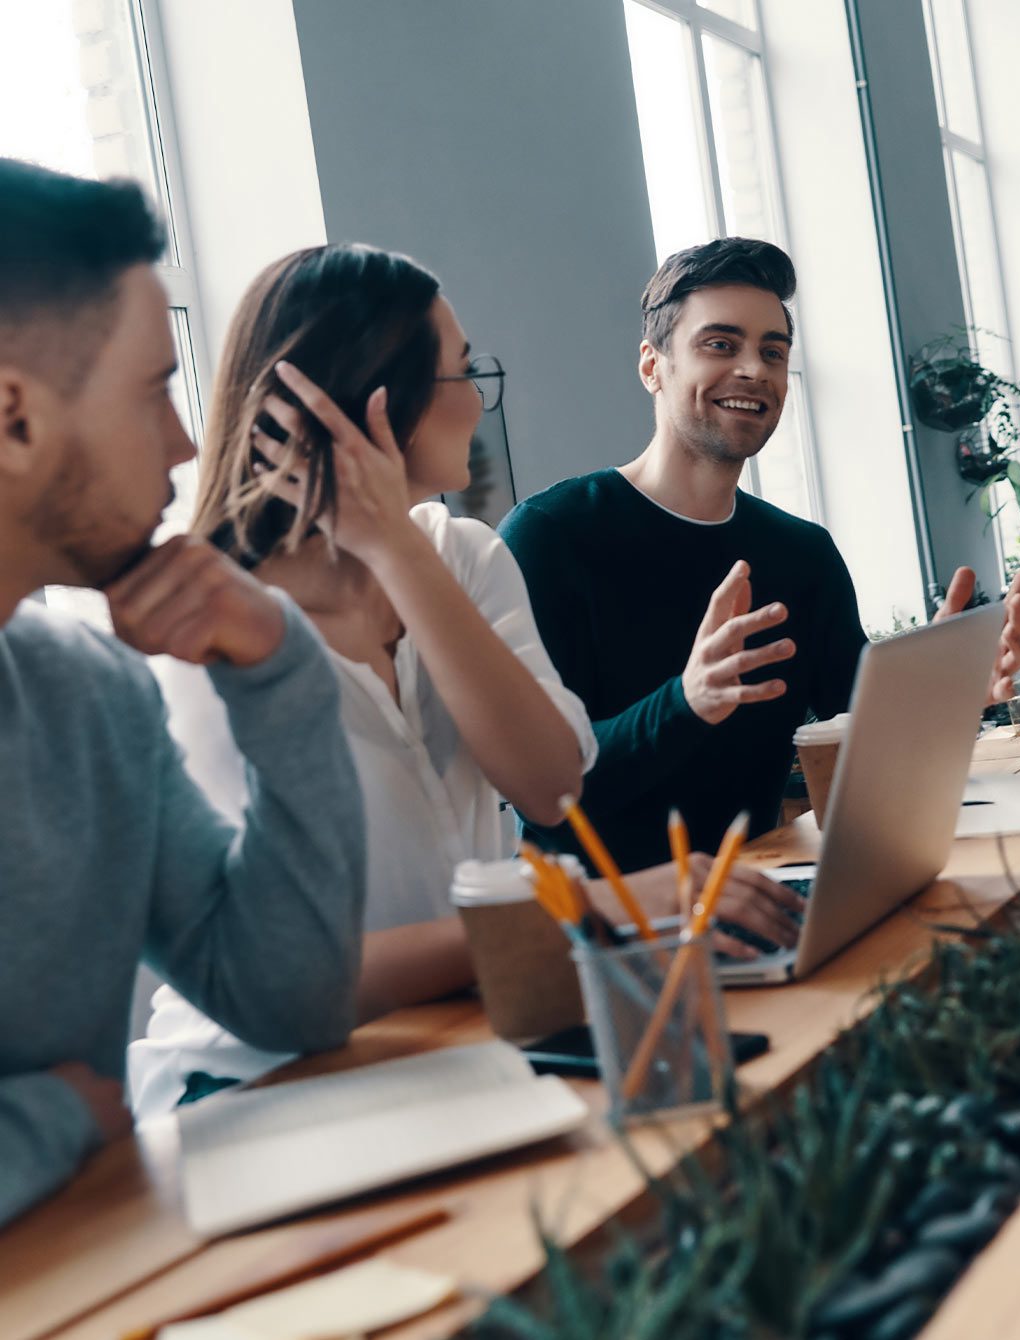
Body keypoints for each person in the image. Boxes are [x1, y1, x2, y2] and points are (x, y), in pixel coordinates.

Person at [129, 244, 805, 1117]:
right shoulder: (202, 630)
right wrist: (610, 906)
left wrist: (399, 549)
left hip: (465, 1032)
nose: (477, 398)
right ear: (377, 400)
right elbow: (300, 977)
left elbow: (551, 784)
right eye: (459, 371)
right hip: (263, 1079)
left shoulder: (463, 554)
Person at [0, 162, 367, 1225]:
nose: (184, 442)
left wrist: (281, 669)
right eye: (154, 387)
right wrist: (50, 1115)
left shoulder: (89, 690)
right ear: (13, 417)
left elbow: (287, 996)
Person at [500, 237, 1020, 873]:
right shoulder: (549, 535)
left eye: (772, 352)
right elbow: (547, 794)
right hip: (613, 935)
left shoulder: (801, 553)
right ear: (652, 366)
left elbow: (864, 728)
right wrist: (687, 700)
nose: (754, 369)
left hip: (768, 892)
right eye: (720, 344)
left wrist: (947, 685)